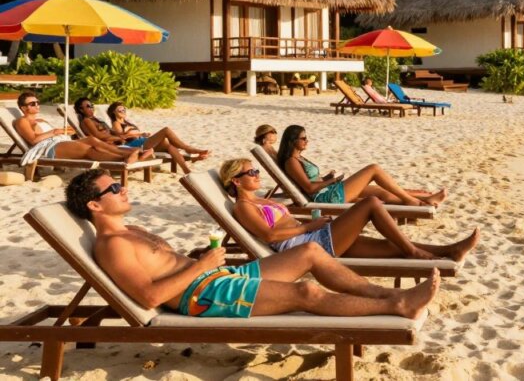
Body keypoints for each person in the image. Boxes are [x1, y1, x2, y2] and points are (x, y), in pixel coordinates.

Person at [65, 169, 438, 319]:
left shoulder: (130, 231)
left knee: (310, 251)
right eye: (112, 188)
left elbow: (161, 267)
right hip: (204, 294)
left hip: (215, 275)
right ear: (95, 205)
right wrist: (201, 265)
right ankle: (399, 304)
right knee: (304, 292)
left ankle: (380, 295)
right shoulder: (112, 244)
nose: (122, 187)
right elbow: (148, 297)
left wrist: (198, 259)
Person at [222, 159, 478, 261]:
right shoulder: (243, 207)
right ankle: (413, 251)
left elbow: (282, 223)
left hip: (314, 236)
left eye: (256, 170)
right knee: (370, 204)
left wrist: (315, 222)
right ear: (236, 180)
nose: (257, 174)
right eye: (251, 172)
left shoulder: (261, 200)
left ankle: (451, 251)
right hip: (305, 244)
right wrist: (309, 226)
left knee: (390, 247)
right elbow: (269, 236)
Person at [277, 125, 446, 207]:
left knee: (380, 193)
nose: (307, 141)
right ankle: (412, 201)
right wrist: (332, 181)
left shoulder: (298, 158)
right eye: (303, 138)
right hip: (327, 197)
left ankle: (423, 199)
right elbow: (308, 187)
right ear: (292, 141)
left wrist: (327, 178)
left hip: (329, 191)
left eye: (306, 137)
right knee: (373, 169)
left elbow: (310, 181)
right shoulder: (291, 162)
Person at [13, 92, 144, 164]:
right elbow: (33, 140)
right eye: (32, 103)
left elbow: (51, 134)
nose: (37, 105)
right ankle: (123, 158)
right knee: (88, 150)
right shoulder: (22, 121)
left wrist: (66, 131)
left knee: (92, 140)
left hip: (59, 142)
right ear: (24, 108)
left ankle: (129, 153)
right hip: (48, 148)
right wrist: (55, 131)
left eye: (37, 102)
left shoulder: (40, 120)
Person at [107, 101, 210, 173]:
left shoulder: (127, 122)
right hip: (133, 146)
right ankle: (188, 149)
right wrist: (140, 134)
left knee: (169, 146)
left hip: (143, 142)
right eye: (120, 110)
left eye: (124, 109)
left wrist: (142, 135)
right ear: (113, 112)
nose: (123, 111)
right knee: (166, 130)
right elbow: (122, 136)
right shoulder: (116, 123)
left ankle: (186, 170)